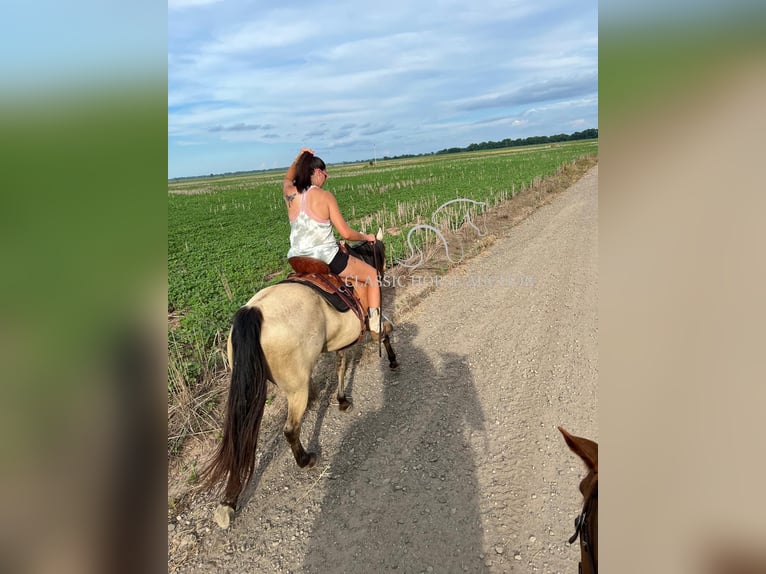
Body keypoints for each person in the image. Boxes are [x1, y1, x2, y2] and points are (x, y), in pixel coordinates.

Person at [283, 148, 383, 334]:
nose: (326, 178)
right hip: (325, 258)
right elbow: (346, 234)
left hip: (298, 259)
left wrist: (299, 157)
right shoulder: (325, 196)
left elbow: (287, 178)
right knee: (373, 276)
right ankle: (376, 324)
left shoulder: (290, 193)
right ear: (318, 173)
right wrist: (366, 237)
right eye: (325, 174)